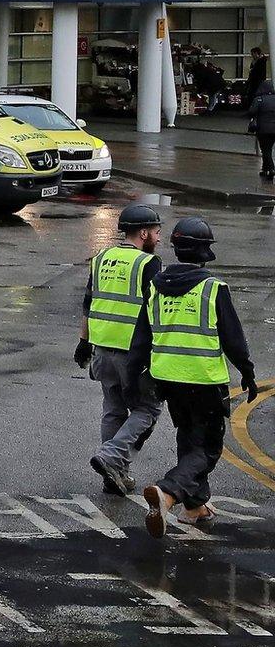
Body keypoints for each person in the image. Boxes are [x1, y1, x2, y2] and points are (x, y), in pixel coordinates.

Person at [133, 217, 258, 537]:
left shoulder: (156, 287)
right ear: (205, 252)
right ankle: (168, 492)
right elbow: (233, 337)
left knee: (189, 438)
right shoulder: (213, 288)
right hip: (203, 380)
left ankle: (194, 506)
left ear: (175, 248)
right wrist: (246, 370)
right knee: (209, 447)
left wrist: (136, 374)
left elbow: (142, 336)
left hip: (168, 379)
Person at [74, 204, 164, 495]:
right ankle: (112, 457)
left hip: (102, 349)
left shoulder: (101, 258)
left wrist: (84, 341)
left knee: (113, 409)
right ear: (143, 232)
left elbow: (88, 302)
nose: (159, 239)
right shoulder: (147, 264)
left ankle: (114, 476)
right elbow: (154, 311)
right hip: (132, 352)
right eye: (156, 232)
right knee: (147, 408)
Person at [249, 78, 275, 182]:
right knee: (269, 149)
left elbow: (251, 111)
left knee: (265, 150)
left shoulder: (259, 99)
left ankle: (271, 168)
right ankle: (265, 169)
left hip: (263, 128)